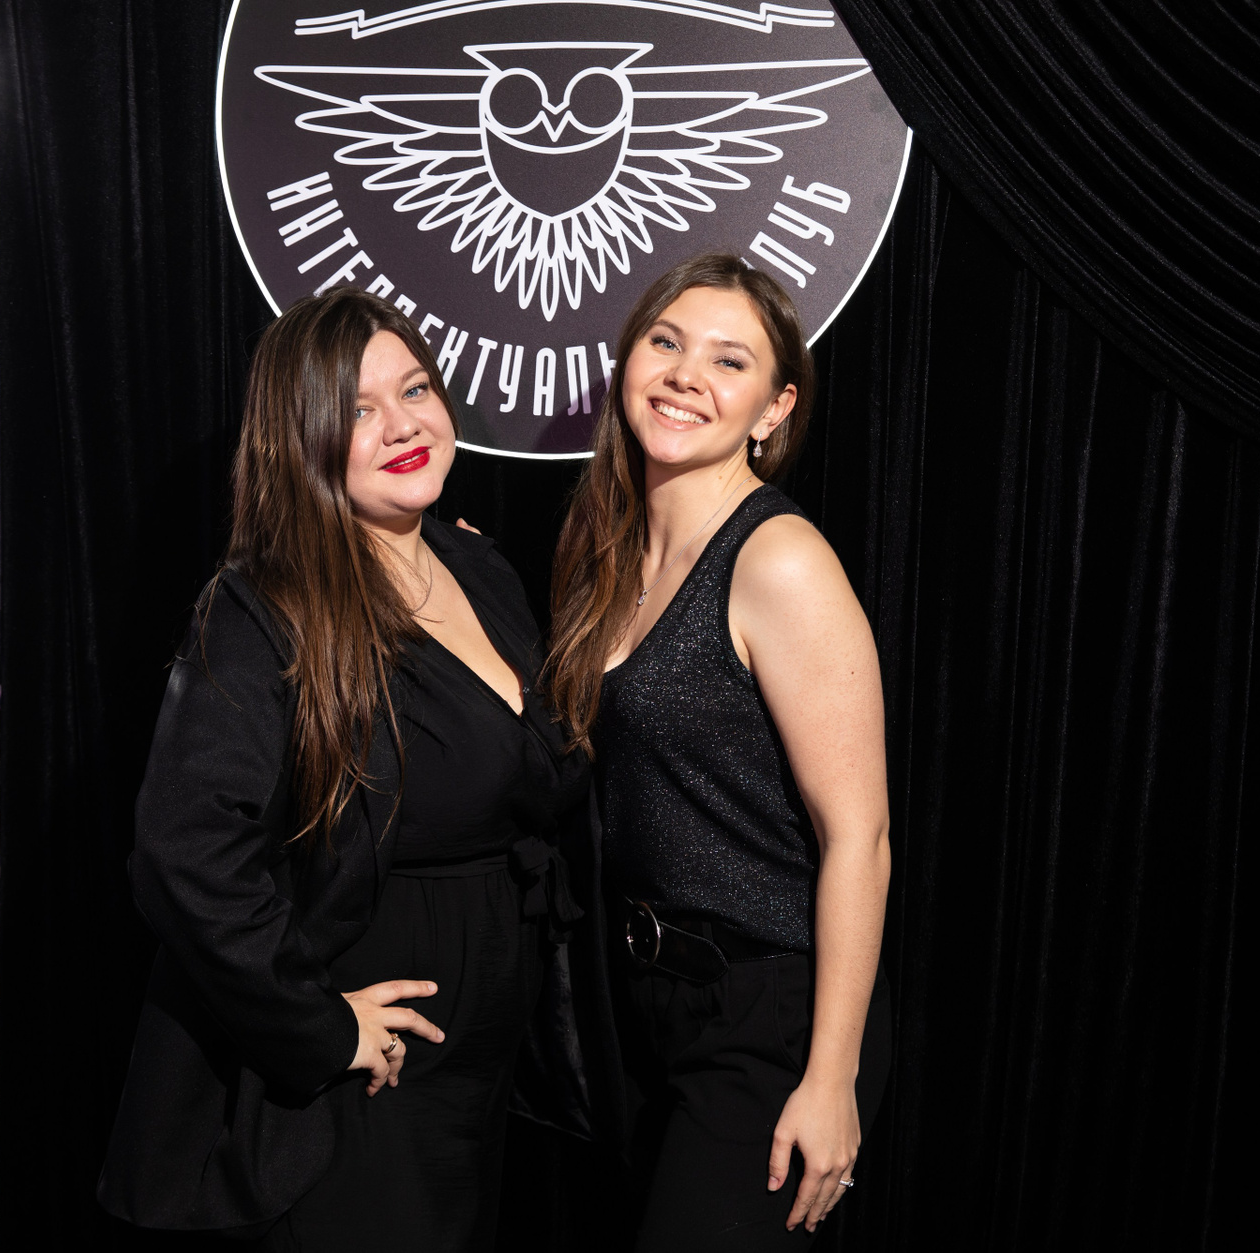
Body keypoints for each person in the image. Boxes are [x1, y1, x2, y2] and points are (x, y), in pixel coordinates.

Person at [96, 287, 590, 1250]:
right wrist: (320, 1027)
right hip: (357, 1089)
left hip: (479, 1074)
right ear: (302, 438)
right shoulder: (263, 606)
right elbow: (183, 852)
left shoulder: (477, 566)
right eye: (358, 410)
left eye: (415, 390)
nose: (402, 425)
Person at [545, 253, 893, 1249]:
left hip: (766, 1014)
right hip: (641, 1006)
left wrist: (831, 1074)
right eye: (666, 342)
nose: (685, 374)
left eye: (728, 361)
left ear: (773, 409)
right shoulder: (608, 551)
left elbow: (860, 836)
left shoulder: (777, 558)